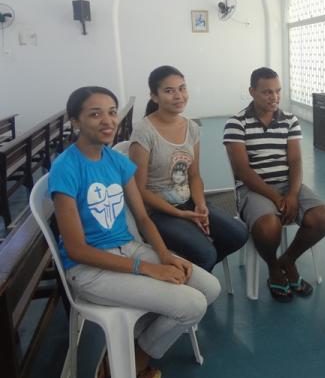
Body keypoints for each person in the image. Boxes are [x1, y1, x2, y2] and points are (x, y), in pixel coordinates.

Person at [50, 86, 221, 378]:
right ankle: (137, 359)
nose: (108, 121)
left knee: (209, 288)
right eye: (95, 114)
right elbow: (77, 249)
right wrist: (147, 269)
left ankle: (129, 346)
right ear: (75, 121)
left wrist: (165, 256)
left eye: (112, 112)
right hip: (89, 267)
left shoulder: (116, 160)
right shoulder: (66, 167)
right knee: (192, 304)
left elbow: (142, 217)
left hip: (128, 247)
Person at [223, 67, 325, 302]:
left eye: (277, 91)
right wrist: (276, 198)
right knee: (267, 227)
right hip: (253, 189)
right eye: (266, 92)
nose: (274, 97)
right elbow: (242, 170)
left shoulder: (289, 120)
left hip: (287, 185)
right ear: (252, 91)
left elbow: (295, 160)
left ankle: (288, 260)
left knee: (324, 217)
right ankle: (274, 267)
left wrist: (292, 194)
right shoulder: (236, 123)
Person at [129, 66, 248, 272]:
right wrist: (182, 216)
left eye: (182, 88)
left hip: (188, 201)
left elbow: (194, 176)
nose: (179, 96)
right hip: (158, 211)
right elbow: (140, 190)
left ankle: (194, 275)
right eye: (169, 91)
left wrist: (200, 206)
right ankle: (194, 281)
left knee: (238, 234)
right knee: (205, 253)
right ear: (154, 97)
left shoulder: (191, 127)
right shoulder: (144, 132)